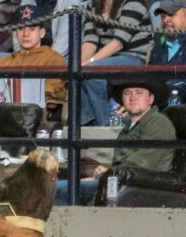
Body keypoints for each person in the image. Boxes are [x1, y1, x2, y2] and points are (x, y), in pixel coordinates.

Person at [54, 76, 176, 204]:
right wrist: (105, 173)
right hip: (121, 183)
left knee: (56, 190)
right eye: (127, 93)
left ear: (150, 99)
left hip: (144, 188)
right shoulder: (129, 127)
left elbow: (140, 164)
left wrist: (104, 175)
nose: (133, 98)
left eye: (139, 93)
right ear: (122, 99)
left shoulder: (158, 122)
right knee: (55, 185)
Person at [80, 0, 151, 126]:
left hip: (131, 56)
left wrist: (91, 63)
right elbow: (90, 39)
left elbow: (119, 42)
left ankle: (106, 126)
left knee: (91, 72)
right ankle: (85, 125)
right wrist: (79, 64)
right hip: (106, 57)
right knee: (73, 71)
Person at [0, 5, 68, 119]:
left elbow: (54, 91)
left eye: (32, 29)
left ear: (41, 33)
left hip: (33, 117)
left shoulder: (52, 58)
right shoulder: (1, 62)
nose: (25, 34)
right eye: (21, 28)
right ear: (15, 33)